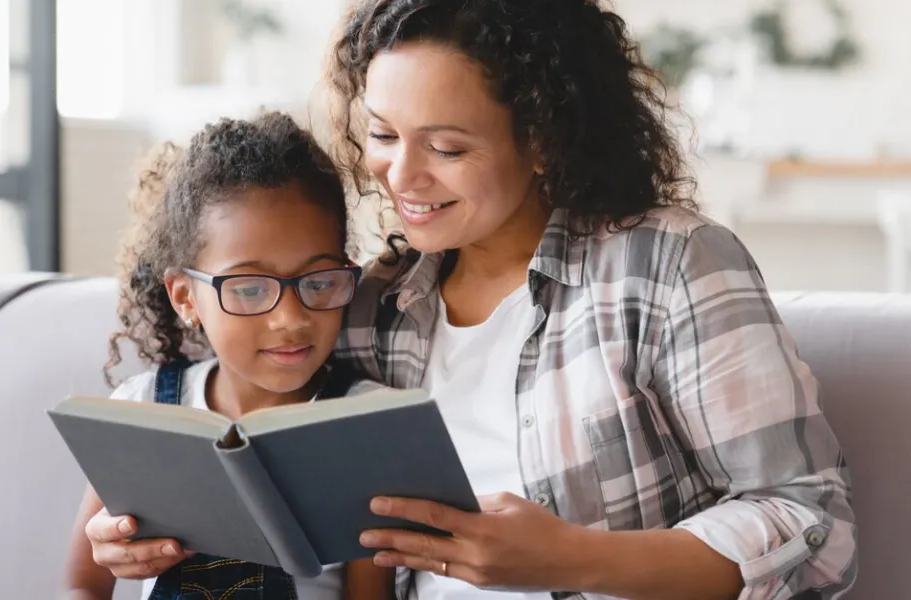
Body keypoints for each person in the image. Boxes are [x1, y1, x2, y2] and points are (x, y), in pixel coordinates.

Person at [83, 1, 857, 599]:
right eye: (383, 135)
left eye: (447, 147)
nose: (402, 177)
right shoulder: (373, 307)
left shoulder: (667, 267)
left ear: (543, 138)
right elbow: (226, 378)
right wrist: (133, 529)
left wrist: (573, 557)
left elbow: (810, 522)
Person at [63, 112, 394, 600]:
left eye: (320, 281)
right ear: (185, 297)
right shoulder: (142, 409)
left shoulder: (363, 424)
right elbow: (82, 585)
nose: (290, 318)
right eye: (249, 289)